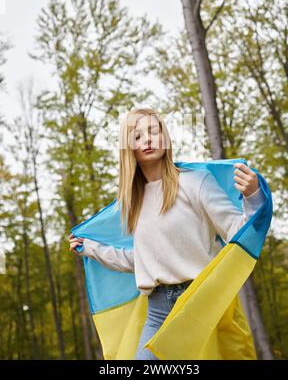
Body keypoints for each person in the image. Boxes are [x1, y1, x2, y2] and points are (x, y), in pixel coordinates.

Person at [69, 107, 266, 360]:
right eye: (138, 136)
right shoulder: (134, 203)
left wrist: (252, 196)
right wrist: (90, 248)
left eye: (154, 131)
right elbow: (140, 261)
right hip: (158, 309)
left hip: (200, 303)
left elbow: (237, 232)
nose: (148, 140)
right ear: (129, 149)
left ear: (166, 137)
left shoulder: (196, 182)